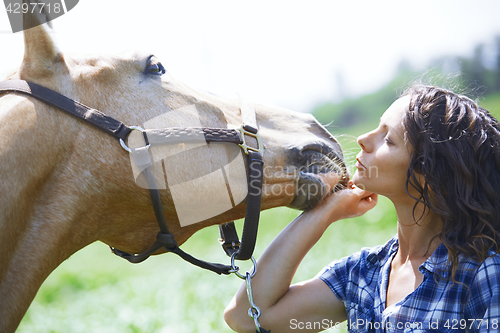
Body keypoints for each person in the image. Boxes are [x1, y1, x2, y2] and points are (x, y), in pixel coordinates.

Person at [224, 85, 500, 332]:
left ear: (428, 174)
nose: (364, 139)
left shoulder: (480, 273)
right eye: (377, 127)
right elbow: (247, 318)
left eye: (388, 139)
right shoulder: (362, 274)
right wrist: (325, 211)